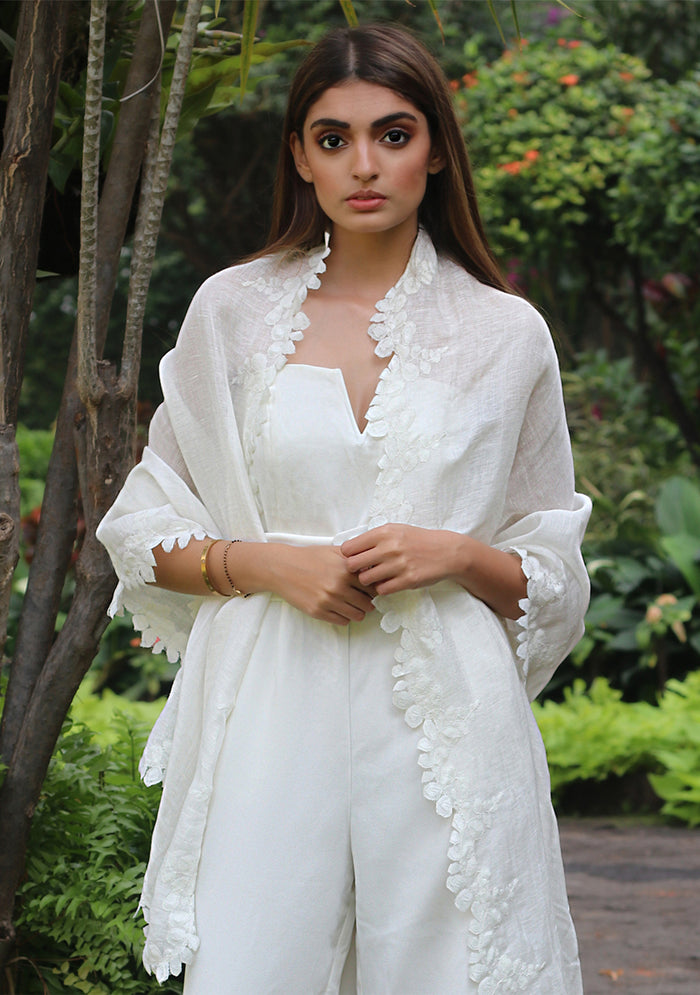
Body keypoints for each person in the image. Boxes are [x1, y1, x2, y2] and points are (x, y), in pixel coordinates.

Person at [97, 23, 591, 995]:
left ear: (435, 150)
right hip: (271, 698)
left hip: (447, 714)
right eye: (334, 138)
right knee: (253, 963)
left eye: (393, 134)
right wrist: (267, 563)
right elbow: (143, 528)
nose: (363, 164)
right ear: (300, 156)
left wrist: (455, 552)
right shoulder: (233, 313)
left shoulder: (505, 333)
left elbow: (552, 568)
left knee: (457, 970)